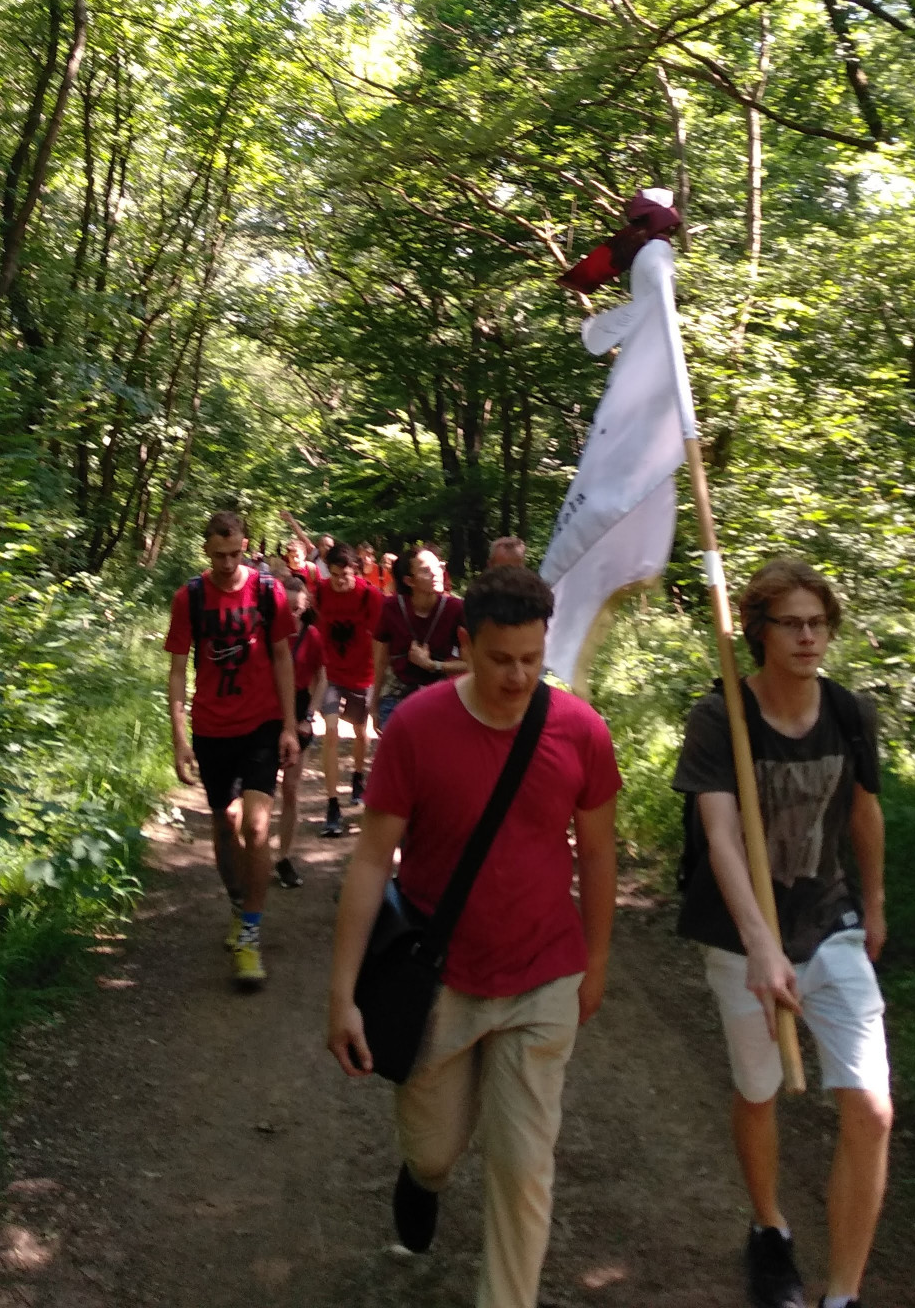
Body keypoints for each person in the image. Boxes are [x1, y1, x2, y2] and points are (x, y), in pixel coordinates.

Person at [328, 566, 621, 1308]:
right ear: (464, 643)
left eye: (532, 658)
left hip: (544, 975)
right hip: (440, 979)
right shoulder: (417, 728)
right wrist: (342, 994)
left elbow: (598, 854)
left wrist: (595, 963)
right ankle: (421, 1179)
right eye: (499, 659)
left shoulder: (580, 731)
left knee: (523, 1169)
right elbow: (371, 861)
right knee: (434, 1151)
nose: (518, 676)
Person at [672, 558, 890, 1308]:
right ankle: (770, 1229)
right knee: (759, 1087)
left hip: (829, 922)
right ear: (758, 631)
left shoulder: (849, 713)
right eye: (791, 623)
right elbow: (721, 835)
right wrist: (760, 944)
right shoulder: (721, 718)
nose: (807, 637)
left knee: (872, 1107)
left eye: (818, 623)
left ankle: (843, 1295)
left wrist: (876, 903)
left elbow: (864, 811)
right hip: (740, 934)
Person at [165, 510, 300, 988]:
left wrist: (289, 726)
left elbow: (282, 656)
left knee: (257, 828)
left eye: (234, 554)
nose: (226, 564)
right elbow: (177, 671)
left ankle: (250, 935)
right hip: (211, 728)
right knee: (226, 822)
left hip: (261, 724)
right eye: (218, 554)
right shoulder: (190, 597)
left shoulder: (268, 591)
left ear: (245, 546)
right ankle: (238, 904)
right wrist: (180, 738)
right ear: (206, 548)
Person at [313, 542, 384, 836]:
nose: (340, 581)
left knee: (360, 731)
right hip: (331, 674)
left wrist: (379, 681)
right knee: (330, 731)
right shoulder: (320, 592)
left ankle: (357, 776)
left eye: (346, 575)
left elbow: (380, 641)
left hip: (362, 675)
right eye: (335, 574)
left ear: (356, 570)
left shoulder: (369, 596)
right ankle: (332, 805)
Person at [371, 544, 465, 730]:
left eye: (438, 566)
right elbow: (381, 660)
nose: (436, 573)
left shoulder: (456, 609)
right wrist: (374, 704)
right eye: (425, 570)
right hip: (396, 696)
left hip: (439, 697)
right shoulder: (392, 607)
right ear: (409, 581)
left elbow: (473, 664)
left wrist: (432, 665)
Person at [274, 574, 325, 890]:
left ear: (305, 608)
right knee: (262, 788)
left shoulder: (313, 636)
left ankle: (283, 857)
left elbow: (322, 678)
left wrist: (309, 716)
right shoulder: (267, 632)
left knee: (290, 789)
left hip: (299, 710)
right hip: (268, 711)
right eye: (287, 608)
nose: (292, 614)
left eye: (297, 609)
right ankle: (254, 849)